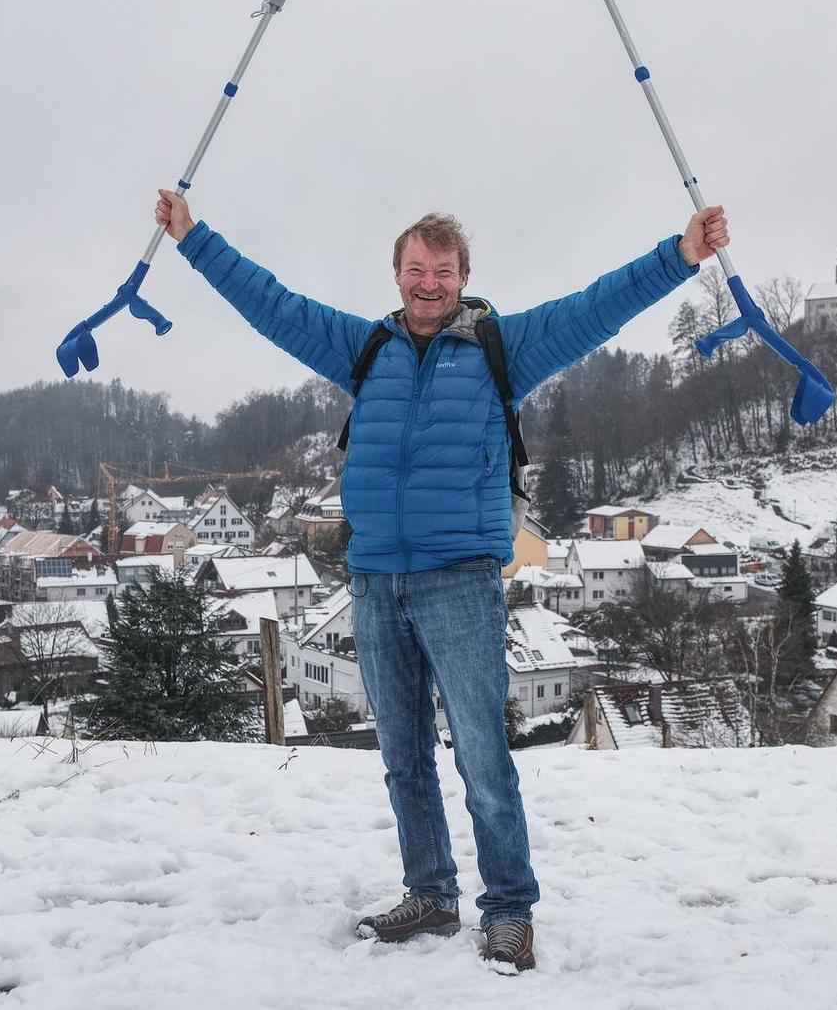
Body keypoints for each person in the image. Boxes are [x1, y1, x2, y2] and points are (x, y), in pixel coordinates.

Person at [154, 188, 727, 973]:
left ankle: (509, 908)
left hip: (459, 580)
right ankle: (430, 891)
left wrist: (681, 254)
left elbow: (597, 307)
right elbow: (273, 304)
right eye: (416, 269)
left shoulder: (501, 349)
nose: (429, 283)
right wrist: (191, 237)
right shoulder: (366, 350)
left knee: (483, 754)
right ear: (397, 275)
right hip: (375, 580)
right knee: (403, 753)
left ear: (463, 276)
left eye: (444, 270)